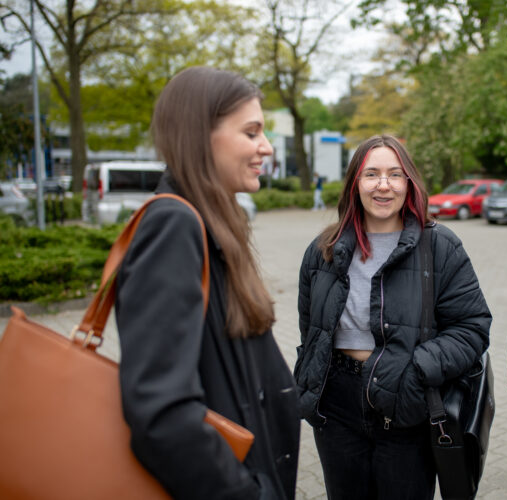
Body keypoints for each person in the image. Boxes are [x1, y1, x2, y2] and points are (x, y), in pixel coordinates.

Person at [115, 66, 300, 499]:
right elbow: (162, 413)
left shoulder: (211, 223)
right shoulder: (174, 225)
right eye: (251, 132)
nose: (266, 147)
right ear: (200, 135)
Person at [295, 134, 492, 499]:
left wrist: (416, 370)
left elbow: (472, 328)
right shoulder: (323, 249)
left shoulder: (440, 246)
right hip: (336, 406)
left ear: (409, 183)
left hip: (408, 404)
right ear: (355, 184)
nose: (383, 185)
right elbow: (311, 327)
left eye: (395, 174)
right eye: (371, 174)